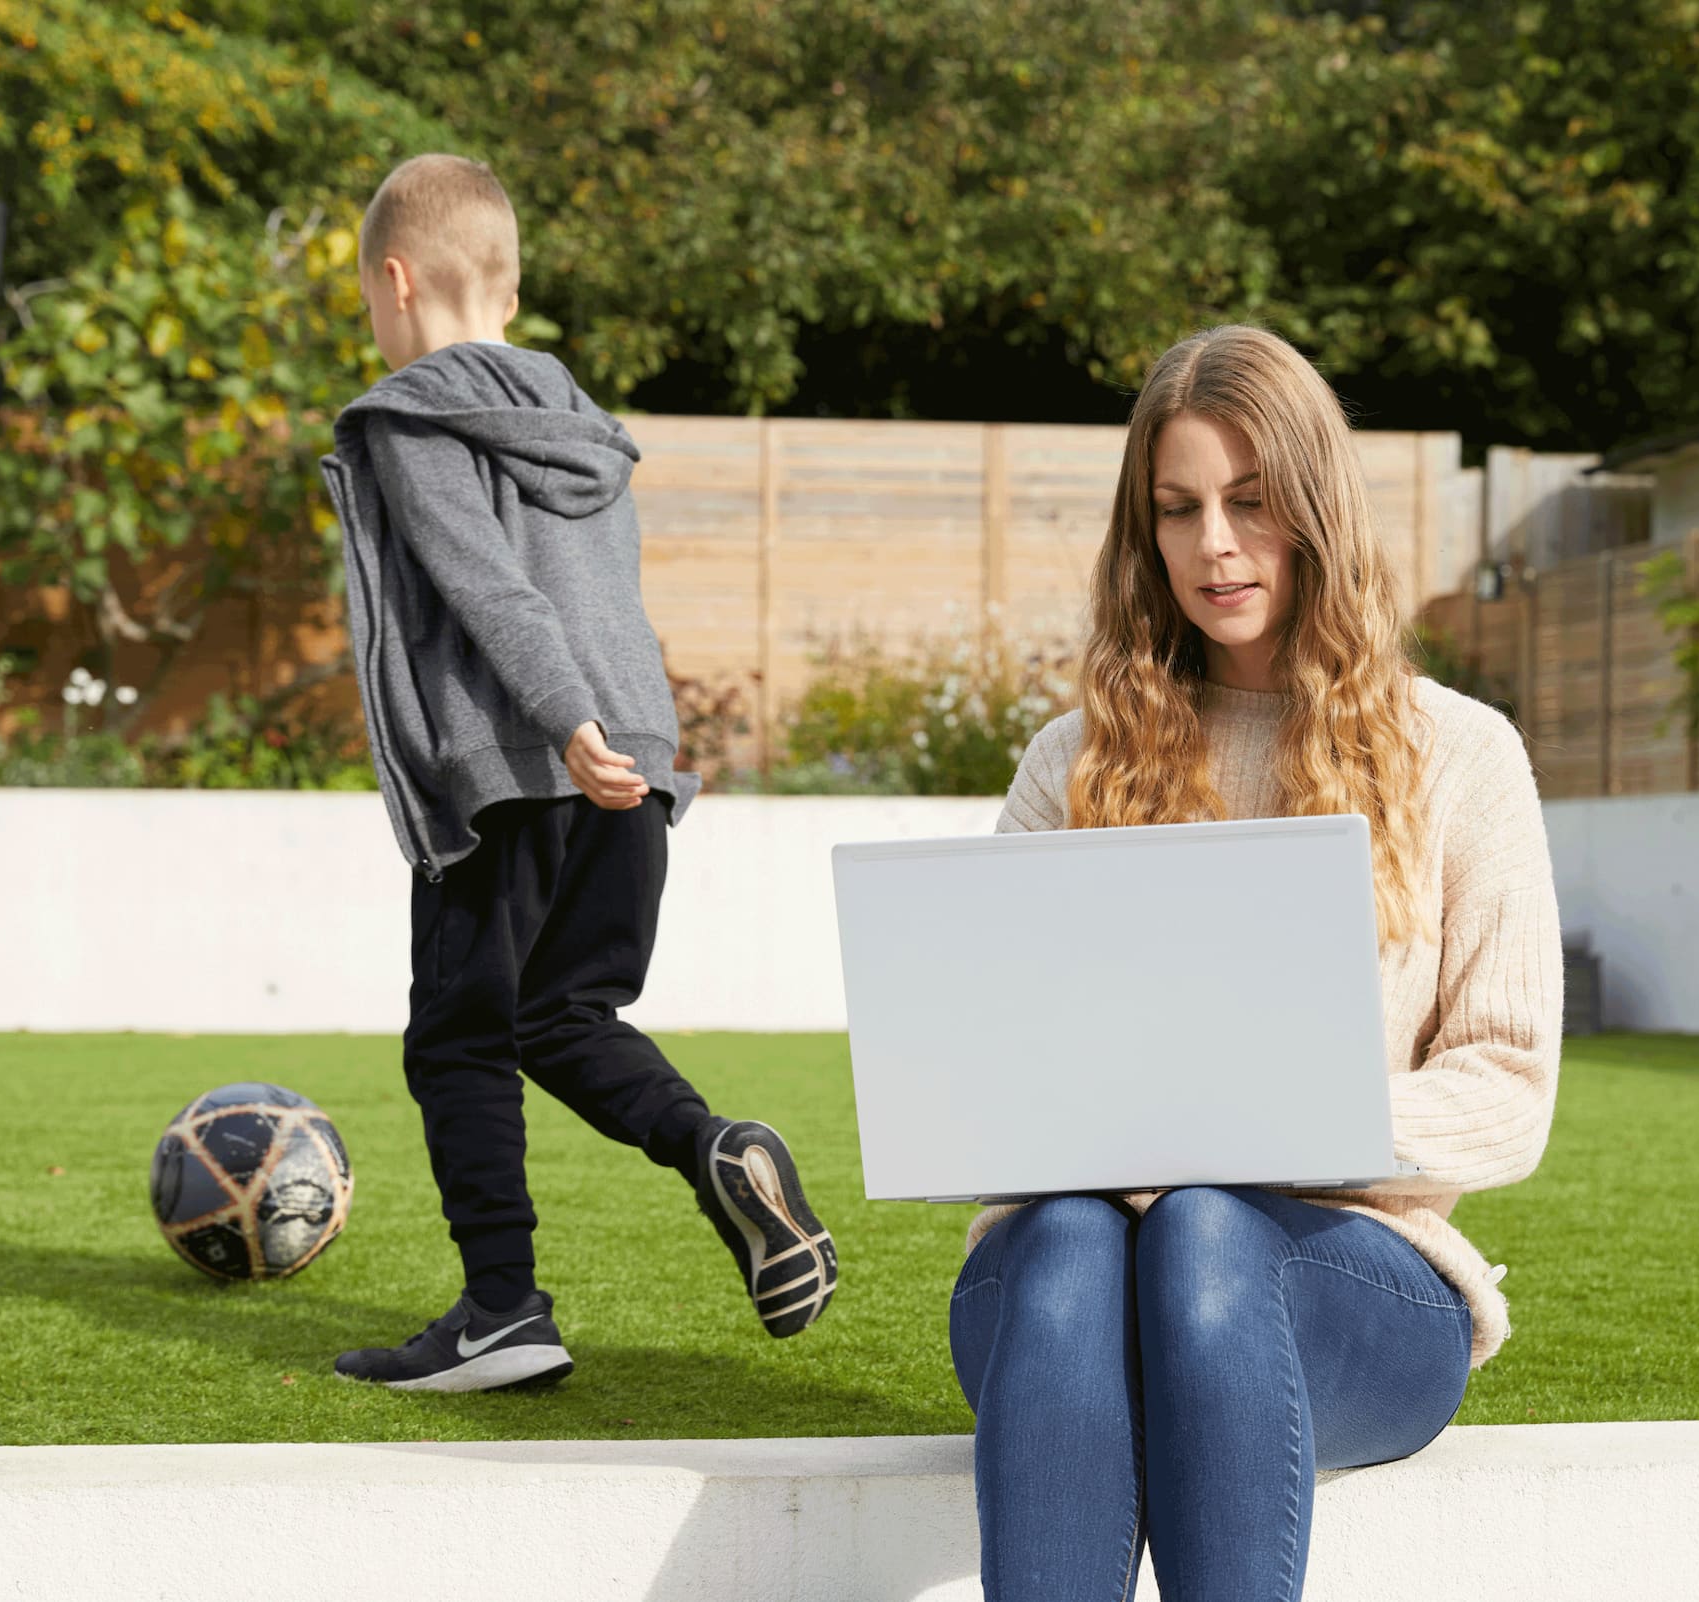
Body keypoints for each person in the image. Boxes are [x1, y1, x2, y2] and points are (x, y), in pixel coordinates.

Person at [950, 324, 1562, 1595]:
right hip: (1071, 1289)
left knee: (1205, 1232)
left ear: (1316, 511)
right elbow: (993, 1074)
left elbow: (1504, 1088)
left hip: (1351, 1287)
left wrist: (1246, 1135)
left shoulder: (1463, 755)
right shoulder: (1069, 764)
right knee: (1070, 1240)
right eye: (1177, 510)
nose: (1213, 544)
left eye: (1250, 501)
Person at [318, 154, 836, 1392]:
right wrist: (617, 739)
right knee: (563, 1017)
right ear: (505, 279)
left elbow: (484, 585)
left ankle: (502, 1306)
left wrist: (557, 722)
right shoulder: (581, 424)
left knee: (457, 1039)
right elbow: (589, 596)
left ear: (395, 282)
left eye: (365, 300)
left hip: (521, 767)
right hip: (634, 771)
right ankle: (716, 1147)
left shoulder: (411, 415)